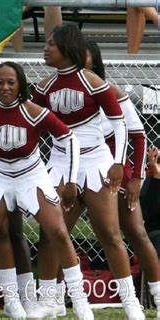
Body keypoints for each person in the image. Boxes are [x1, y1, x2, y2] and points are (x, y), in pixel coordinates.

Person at [0, 61, 92, 320]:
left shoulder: (34, 111)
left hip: (32, 177)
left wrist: (71, 180)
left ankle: (80, 301)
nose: (5, 87)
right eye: (0, 82)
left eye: (11, 82)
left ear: (20, 84)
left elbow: (69, 138)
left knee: (58, 233)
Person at [32, 25, 145, 319]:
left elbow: (120, 124)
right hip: (58, 164)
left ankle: (130, 302)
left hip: (95, 163)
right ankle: (51, 299)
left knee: (109, 233)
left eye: (51, 44)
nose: (45, 49)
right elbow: (31, 124)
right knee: (52, 234)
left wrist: (119, 163)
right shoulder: (44, 87)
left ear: (67, 48)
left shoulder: (94, 82)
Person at [85, 40, 160, 316]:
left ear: (95, 60)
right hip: (75, 175)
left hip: (115, 176)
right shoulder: (63, 94)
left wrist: (136, 178)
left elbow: (138, 135)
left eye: (84, 56)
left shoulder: (111, 92)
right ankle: (55, 297)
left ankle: (156, 295)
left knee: (136, 233)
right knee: (56, 234)